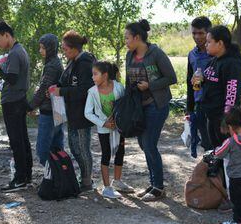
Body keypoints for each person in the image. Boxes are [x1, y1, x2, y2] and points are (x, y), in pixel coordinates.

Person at [124, 19, 177, 202]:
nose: (126, 41)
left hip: (157, 105)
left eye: (127, 37)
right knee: (143, 143)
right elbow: (127, 81)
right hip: (139, 107)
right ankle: (154, 183)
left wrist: (150, 85)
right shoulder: (129, 55)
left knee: (149, 144)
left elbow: (171, 77)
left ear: (137, 37)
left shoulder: (156, 53)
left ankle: (158, 187)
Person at [0, 21, 32, 192]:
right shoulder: (19, 50)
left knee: (16, 141)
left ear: (7, 35)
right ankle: (26, 176)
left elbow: (12, 79)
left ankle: (20, 179)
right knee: (22, 139)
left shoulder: (14, 53)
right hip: (17, 100)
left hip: (13, 102)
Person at [50, 30, 95, 192]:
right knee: (74, 147)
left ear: (75, 48)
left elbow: (84, 90)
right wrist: (57, 88)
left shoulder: (85, 64)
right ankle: (84, 177)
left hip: (83, 114)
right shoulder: (72, 61)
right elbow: (65, 82)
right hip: (72, 112)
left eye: (66, 49)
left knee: (82, 148)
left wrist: (61, 92)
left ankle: (87, 181)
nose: (64, 51)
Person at [84, 61, 134, 199]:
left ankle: (117, 181)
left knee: (120, 152)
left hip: (119, 128)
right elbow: (87, 113)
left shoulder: (119, 87)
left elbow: (125, 106)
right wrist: (103, 123)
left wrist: (120, 122)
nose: (92, 77)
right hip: (104, 129)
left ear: (105, 75)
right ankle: (107, 188)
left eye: (95, 74)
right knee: (106, 154)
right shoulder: (92, 92)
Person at [199, 25, 241, 149]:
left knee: (224, 155)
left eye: (209, 42)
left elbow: (232, 94)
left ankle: (221, 169)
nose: (206, 45)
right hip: (211, 115)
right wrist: (198, 81)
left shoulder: (232, 63)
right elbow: (206, 83)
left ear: (220, 43)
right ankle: (216, 169)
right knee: (214, 151)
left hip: (223, 118)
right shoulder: (213, 60)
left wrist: (226, 119)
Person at [27, 34, 64, 166]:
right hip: (58, 110)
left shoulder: (52, 66)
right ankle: (58, 178)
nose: (40, 51)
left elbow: (44, 88)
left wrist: (30, 106)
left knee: (43, 150)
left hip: (50, 112)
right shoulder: (54, 63)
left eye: (43, 48)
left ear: (50, 48)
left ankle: (52, 178)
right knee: (57, 148)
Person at [186, 17, 213, 156]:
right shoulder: (192, 54)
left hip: (215, 104)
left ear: (208, 33)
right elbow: (189, 82)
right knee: (207, 145)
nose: (197, 37)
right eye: (194, 33)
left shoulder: (215, 53)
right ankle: (210, 176)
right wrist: (189, 108)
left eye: (201, 33)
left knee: (219, 145)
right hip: (199, 104)